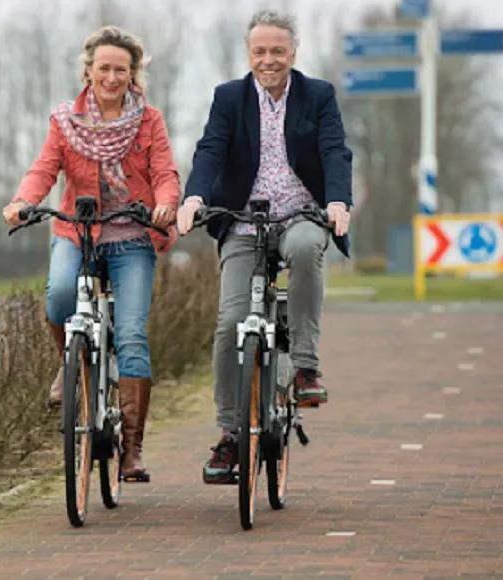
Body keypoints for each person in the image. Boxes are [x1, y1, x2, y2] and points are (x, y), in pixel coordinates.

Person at [176, 9, 353, 484]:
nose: (269, 60)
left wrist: (337, 201)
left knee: (302, 249)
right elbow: (210, 149)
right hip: (242, 221)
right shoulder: (229, 98)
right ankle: (231, 433)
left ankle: (305, 369)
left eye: (278, 51)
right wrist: (194, 197)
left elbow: (335, 150)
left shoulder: (318, 96)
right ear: (248, 54)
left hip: (302, 213)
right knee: (231, 321)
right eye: (260, 51)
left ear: (294, 54)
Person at [3, 25, 181, 482]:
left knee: (132, 336)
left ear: (133, 74)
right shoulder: (65, 121)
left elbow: (164, 172)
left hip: (133, 238)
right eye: (104, 68)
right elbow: (44, 168)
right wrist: (24, 201)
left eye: (121, 69)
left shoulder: (149, 120)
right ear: (89, 72)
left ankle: (132, 449)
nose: (112, 77)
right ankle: (75, 365)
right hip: (77, 232)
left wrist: (166, 205)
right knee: (60, 296)